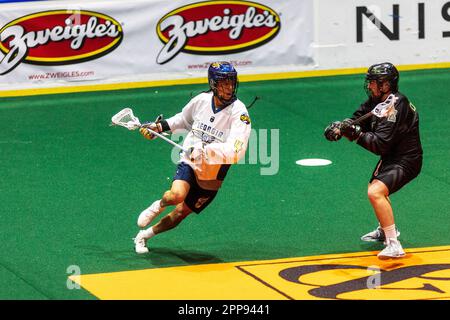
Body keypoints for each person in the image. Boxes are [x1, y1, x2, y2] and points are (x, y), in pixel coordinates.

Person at [133, 61, 252, 254]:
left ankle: (144, 236)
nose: (229, 87)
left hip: (212, 175)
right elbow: (182, 120)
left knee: (181, 213)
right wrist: (158, 127)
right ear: (213, 84)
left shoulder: (239, 114)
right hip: (190, 158)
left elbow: (237, 152)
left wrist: (206, 150)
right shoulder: (202, 101)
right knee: (176, 195)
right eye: (224, 83)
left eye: (231, 82)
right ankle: (159, 205)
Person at [324, 62, 423, 259]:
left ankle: (394, 245)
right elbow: (357, 120)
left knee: (376, 192)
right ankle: (385, 230)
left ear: (386, 84)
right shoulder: (378, 101)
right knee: (376, 190)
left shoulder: (396, 106)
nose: (369, 86)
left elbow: (380, 145)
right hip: (392, 156)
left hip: (407, 160)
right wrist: (340, 128)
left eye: (373, 82)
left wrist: (353, 133)